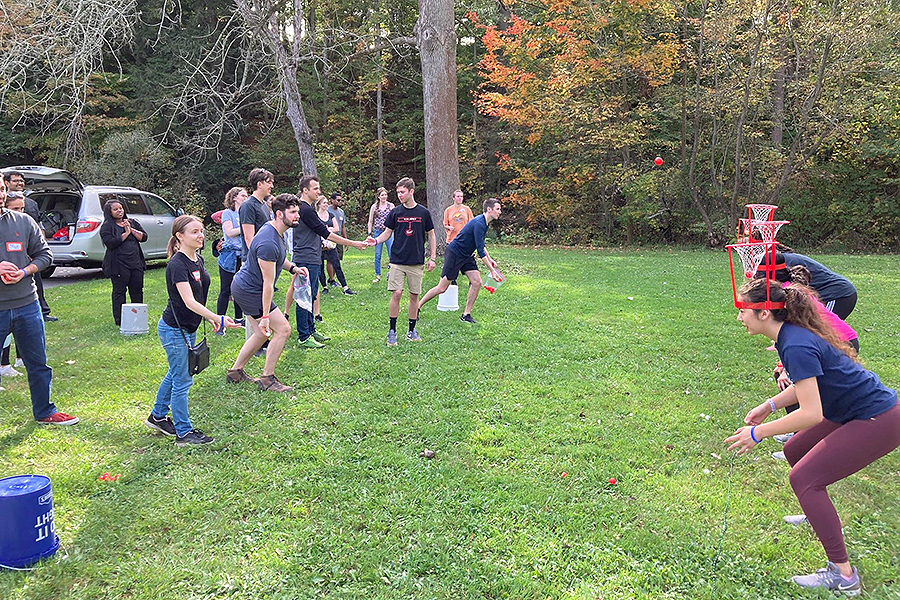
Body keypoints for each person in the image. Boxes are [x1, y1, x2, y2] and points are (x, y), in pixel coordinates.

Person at [726, 277, 899, 594]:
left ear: (764, 312)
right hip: (851, 409)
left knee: (803, 478)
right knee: (794, 450)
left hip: (878, 417)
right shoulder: (788, 336)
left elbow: (811, 413)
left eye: (743, 310)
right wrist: (769, 405)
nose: (739, 317)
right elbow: (807, 384)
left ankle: (843, 576)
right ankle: (817, 513)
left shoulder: (795, 343)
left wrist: (758, 432)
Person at [146, 215, 239, 446]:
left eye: (201, 231)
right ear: (179, 236)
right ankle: (184, 433)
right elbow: (188, 301)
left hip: (188, 327)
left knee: (176, 372)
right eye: (195, 232)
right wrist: (216, 316)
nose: (201, 235)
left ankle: (157, 417)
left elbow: (198, 297)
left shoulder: (198, 259)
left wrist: (208, 318)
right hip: (173, 329)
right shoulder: (177, 264)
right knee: (182, 380)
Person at [0, 173, 77, 424]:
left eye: (1, 189)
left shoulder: (23, 222)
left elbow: (45, 256)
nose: (0, 195)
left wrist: (24, 271)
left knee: (38, 363)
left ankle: (45, 412)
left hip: (27, 304)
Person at [229, 194, 306, 392]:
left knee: (260, 334)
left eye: (297, 211)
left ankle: (235, 372)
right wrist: (265, 317)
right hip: (250, 290)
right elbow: (267, 283)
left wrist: (293, 268)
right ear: (279, 214)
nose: (297, 215)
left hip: (245, 287)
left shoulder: (275, 230)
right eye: (293, 212)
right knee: (283, 329)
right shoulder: (268, 242)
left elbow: (279, 259)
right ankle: (267, 379)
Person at [291, 176, 369, 349]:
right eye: (315, 188)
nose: (318, 191)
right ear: (305, 190)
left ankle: (310, 330)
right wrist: (353, 243)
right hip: (305, 258)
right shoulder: (305, 210)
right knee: (304, 297)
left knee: (312, 294)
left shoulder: (307, 209)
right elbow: (325, 233)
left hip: (312, 257)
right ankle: (304, 336)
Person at [370, 177, 435, 346]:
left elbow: (431, 235)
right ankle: (392, 331)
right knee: (397, 293)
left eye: (402, 192)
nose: (399, 195)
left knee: (414, 296)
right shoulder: (395, 212)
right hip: (397, 260)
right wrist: (375, 241)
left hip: (416, 261)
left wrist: (432, 258)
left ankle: (411, 330)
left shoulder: (423, 212)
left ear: (411, 191)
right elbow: (387, 233)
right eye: (398, 192)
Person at [418, 198, 503, 324]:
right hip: (455, 254)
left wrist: (490, 259)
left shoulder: (484, 223)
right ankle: (417, 306)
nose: (500, 212)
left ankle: (466, 314)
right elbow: (480, 252)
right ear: (489, 209)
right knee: (442, 288)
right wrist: (492, 271)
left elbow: (480, 244)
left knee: (477, 282)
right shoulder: (479, 223)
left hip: (467, 255)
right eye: (498, 209)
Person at [4, 172, 57, 322]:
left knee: (36, 283)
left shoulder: (31, 203)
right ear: (7, 183)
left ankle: (43, 311)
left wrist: (39, 244)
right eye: (15, 180)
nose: (20, 183)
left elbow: (38, 224)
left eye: (21, 180)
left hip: (29, 258)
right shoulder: (5, 205)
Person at [773, 245, 857, 320]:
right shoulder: (783, 259)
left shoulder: (783, 262)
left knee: (821, 328)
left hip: (838, 295)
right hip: (832, 294)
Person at [100, 198, 148, 327]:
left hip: (136, 262)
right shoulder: (107, 227)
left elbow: (144, 237)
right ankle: (120, 320)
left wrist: (131, 230)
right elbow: (111, 243)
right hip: (118, 265)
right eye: (115, 209)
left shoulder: (132, 222)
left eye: (120, 208)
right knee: (119, 292)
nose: (119, 211)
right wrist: (126, 233)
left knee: (137, 290)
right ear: (109, 212)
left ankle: (138, 317)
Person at [216, 186, 247, 324]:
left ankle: (239, 319)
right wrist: (246, 227)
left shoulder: (245, 213)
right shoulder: (227, 213)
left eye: (246, 196)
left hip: (242, 255)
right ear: (234, 197)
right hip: (229, 256)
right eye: (243, 196)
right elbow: (229, 232)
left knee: (239, 288)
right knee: (226, 289)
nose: (246, 198)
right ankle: (219, 321)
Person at [317, 195, 355, 296]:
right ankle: (324, 287)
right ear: (319, 204)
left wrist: (329, 229)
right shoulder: (315, 216)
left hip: (331, 244)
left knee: (336, 264)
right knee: (320, 266)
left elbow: (337, 228)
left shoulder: (330, 215)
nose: (326, 204)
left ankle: (345, 287)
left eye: (326, 203)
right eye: (324, 203)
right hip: (320, 245)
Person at [366, 187, 394, 283]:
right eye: (382, 195)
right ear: (378, 196)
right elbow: (370, 221)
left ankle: (391, 273)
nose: (384, 196)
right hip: (378, 232)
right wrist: (369, 234)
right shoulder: (374, 207)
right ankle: (377, 275)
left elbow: (395, 219)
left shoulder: (391, 206)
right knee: (378, 254)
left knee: (392, 253)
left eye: (385, 195)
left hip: (388, 231)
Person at [326, 192, 349, 287]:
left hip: (339, 238)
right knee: (330, 259)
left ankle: (331, 279)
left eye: (341, 200)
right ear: (332, 200)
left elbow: (342, 227)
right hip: (330, 238)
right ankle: (331, 280)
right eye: (338, 200)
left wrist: (345, 240)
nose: (340, 202)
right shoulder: (327, 210)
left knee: (337, 259)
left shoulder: (341, 212)